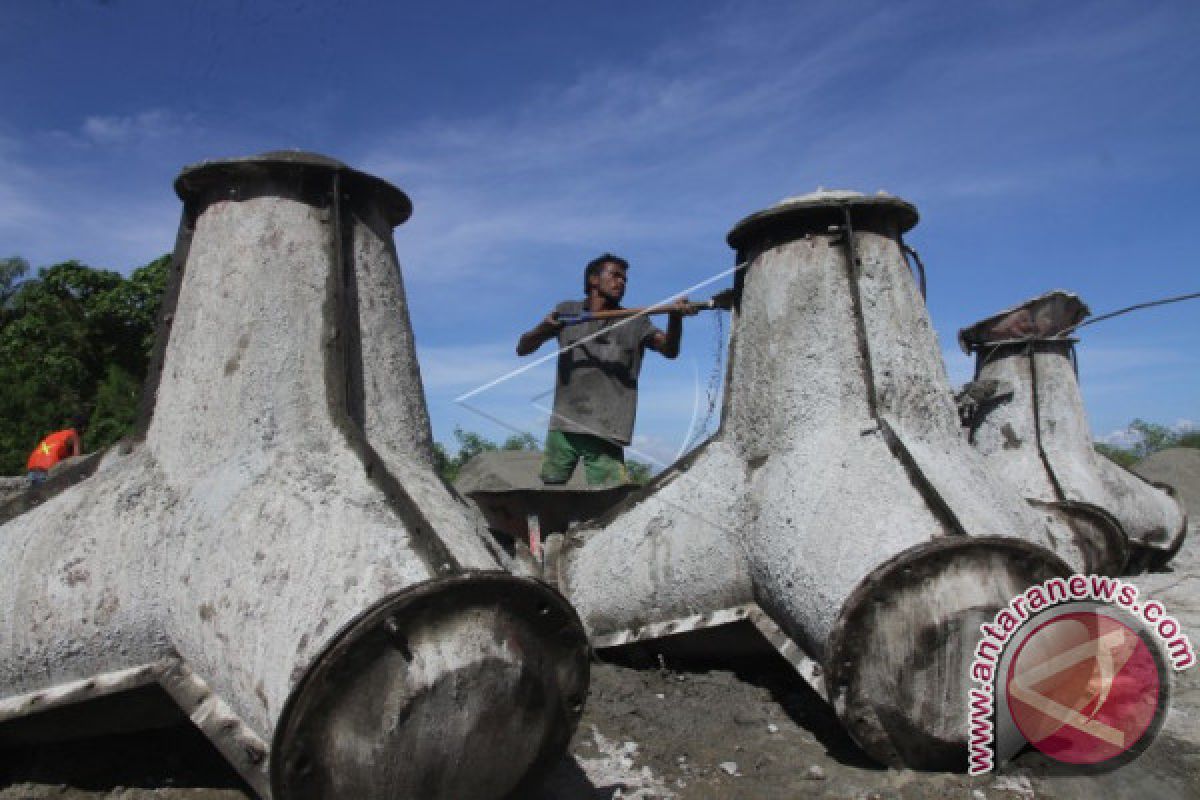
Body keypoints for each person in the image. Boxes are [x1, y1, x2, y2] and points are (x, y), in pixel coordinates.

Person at [516, 253, 695, 486]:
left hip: (607, 429)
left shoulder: (636, 321)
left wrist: (675, 318)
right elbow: (523, 348)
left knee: (608, 500)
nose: (621, 282)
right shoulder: (567, 311)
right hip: (565, 424)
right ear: (593, 280)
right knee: (551, 492)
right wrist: (543, 328)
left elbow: (669, 350)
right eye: (615, 276)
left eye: (625, 279)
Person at [26, 416, 85, 487]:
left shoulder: (56, 435)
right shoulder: (74, 435)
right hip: (45, 472)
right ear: (83, 428)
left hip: (31, 471)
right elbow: (77, 459)